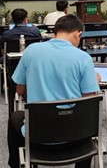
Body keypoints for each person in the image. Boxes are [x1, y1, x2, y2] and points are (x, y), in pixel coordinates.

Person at [8, 15, 100, 168]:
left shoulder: (31, 51)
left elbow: (20, 90)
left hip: (38, 136)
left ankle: (16, 164)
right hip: (76, 137)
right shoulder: (83, 58)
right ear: (78, 34)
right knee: (87, 118)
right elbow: (89, 101)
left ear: (54, 32)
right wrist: (93, 81)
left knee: (14, 117)